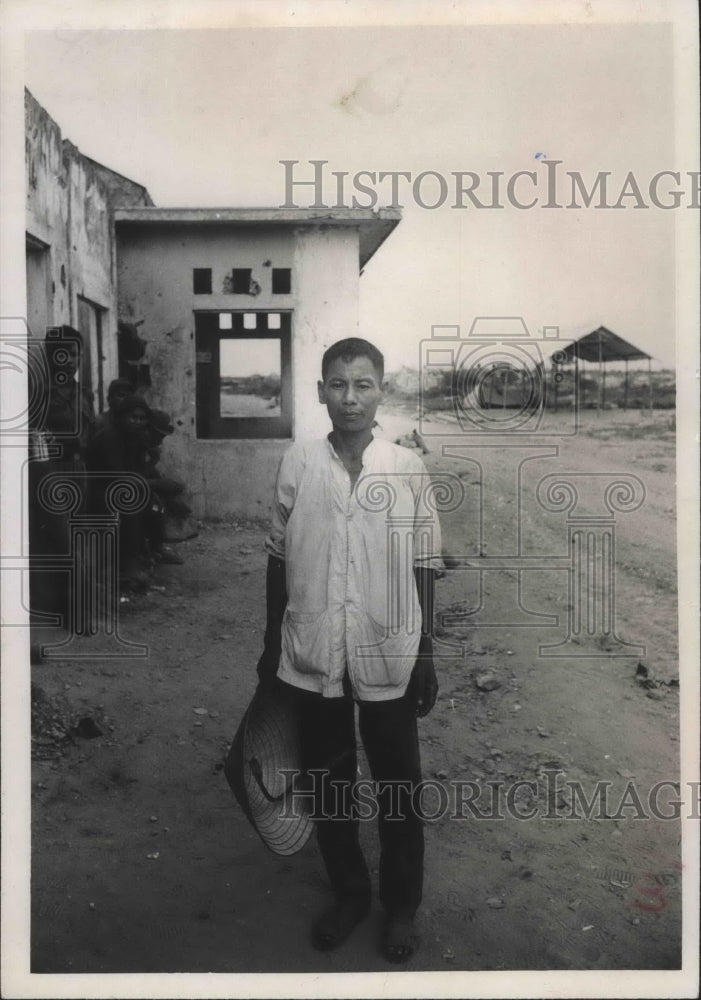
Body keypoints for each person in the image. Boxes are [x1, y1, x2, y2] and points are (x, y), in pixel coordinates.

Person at [256, 337, 442, 964]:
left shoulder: (407, 469)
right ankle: (350, 893)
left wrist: (425, 653)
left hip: (390, 649)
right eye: (337, 384)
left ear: (381, 391)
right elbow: (278, 557)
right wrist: (270, 644)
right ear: (319, 392)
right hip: (312, 652)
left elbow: (423, 563)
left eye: (363, 385)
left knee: (399, 786)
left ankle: (402, 906)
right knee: (328, 780)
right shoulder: (299, 462)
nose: (350, 397)